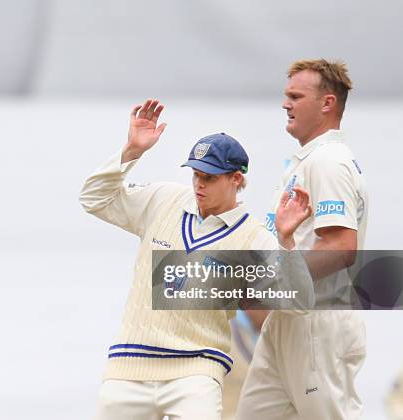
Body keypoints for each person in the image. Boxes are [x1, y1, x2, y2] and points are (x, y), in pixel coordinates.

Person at [80, 99, 312, 420]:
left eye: (211, 177)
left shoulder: (254, 236)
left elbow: (299, 301)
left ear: (236, 179)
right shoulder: (163, 199)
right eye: (196, 174)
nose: (199, 184)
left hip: (195, 374)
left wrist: (286, 240)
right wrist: (132, 151)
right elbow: (93, 198)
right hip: (128, 368)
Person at [237, 59, 369, 419]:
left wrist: (267, 283)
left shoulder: (328, 161)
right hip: (286, 323)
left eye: (296, 96)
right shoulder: (304, 162)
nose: (285, 103)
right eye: (286, 95)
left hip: (318, 324)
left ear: (327, 103)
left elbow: (342, 248)